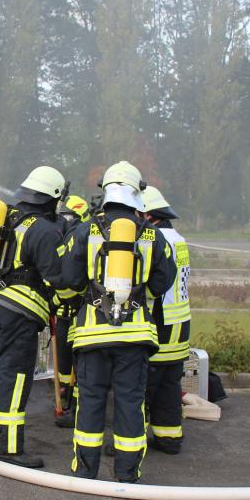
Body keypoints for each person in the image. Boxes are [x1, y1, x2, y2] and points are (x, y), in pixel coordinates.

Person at [63, 161, 176, 483]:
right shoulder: (153, 235)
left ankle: (85, 472)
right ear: (136, 194)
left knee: (90, 401)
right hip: (135, 335)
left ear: (107, 191)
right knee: (130, 403)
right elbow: (160, 284)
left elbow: (69, 280)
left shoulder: (85, 230)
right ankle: (128, 474)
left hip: (91, 334)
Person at [0, 165, 73, 469]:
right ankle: (9, 448)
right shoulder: (43, 230)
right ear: (52, 198)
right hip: (20, 312)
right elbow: (56, 276)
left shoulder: (7, 217)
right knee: (15, 377)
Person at [141, 186, 192, 455]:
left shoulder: (155, 238)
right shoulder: (178, 237)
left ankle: (132, 440)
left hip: (160, 322)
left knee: (142, 384)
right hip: (180, 321)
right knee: (169, 383)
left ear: (148, 216)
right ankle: (169, 438)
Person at [51, 195, 91, 428]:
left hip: (80, 311)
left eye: (68, 216)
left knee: (81, 362)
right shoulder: (67, 236)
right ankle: (65, 395)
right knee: (65, 359)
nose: (63, 220)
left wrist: (56, 296)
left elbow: (75, 279)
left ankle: (76, 406)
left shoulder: (82, 238)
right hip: (65, 312)